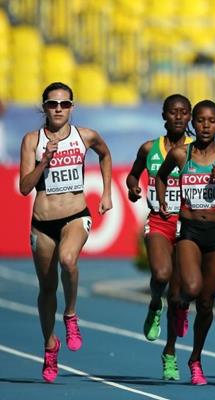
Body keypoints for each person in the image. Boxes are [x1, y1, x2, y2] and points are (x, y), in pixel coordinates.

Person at [19, 82, 112, 383]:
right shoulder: (32, 140)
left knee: (68, 260)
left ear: (72, 107)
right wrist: (44, 160)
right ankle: (50, 345)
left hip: (76, 214)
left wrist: (107, 193)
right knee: (46, 289)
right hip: (42, 222)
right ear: (44, 107)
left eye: (65, 104)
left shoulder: (85, 136)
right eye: (52, 104)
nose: (59, 109)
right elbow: (24, 187)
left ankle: (70, 314)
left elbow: (105, 154)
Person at [156, 99, 215, 385]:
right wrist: (163, 202)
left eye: (212, 121)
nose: (206, 126)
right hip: (189, 230)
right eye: (201, 120)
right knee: (191, 289)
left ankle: (195, 359)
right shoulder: (181, 155)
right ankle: (171, 342)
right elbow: (160, 176)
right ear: (193, 123)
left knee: (206, 303)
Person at [125, 94, 193, 380]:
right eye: (173, 112)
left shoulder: (199, 149)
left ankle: (170, 354)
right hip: (160, 221)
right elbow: (133, 175)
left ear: (190, 117)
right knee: (162, 275)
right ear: (164, 115)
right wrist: (133, 188)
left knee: (180, 295)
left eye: (183, 113)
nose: (178, 117)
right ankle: (154, 303)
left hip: (189, 226)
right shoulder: (149, 149)